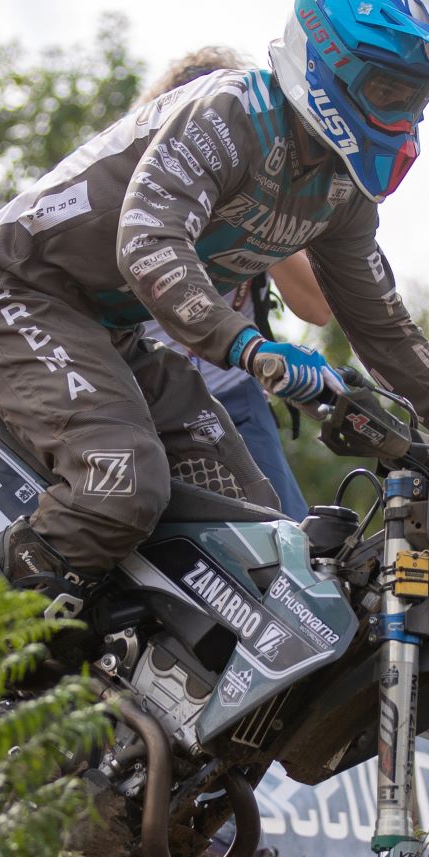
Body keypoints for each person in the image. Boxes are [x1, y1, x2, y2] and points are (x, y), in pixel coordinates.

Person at [0, 0, 429, 619]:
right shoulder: (231, 112)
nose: (405, 116)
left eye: (419, 100)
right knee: (119, 485)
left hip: (109, 330)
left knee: (258, 536)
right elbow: (149, 240)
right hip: (20, 289)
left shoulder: (341, 189)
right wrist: (250, 347)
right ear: (329, 65)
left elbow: (379, 322)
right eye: (391, 91)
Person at [130, 46, 333, 517]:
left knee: (284, 539)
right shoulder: (145, 180)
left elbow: (318, 308)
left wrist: (268, 211)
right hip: (135, 390)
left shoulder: (259, 182)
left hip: (231, 396)